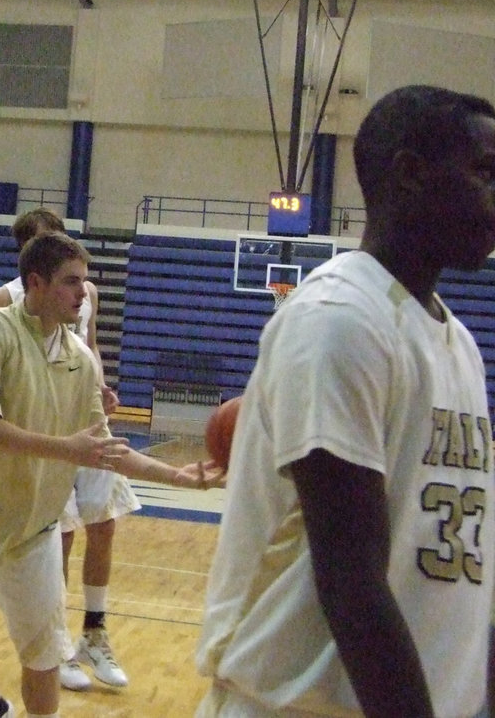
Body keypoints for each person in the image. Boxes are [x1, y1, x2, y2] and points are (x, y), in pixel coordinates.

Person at [197, 85, 495, 718]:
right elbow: (352, 581)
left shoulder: (456, 342)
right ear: (410, 174)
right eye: (484, 172)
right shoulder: (338, 321)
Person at [0, 232, 219, 718]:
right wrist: (66, 449)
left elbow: (105, 448)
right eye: (71, 282)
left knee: (44, 654)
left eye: (85, 283)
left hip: (32, 532)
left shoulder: (81, 359)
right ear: (36, 282)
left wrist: (178, 476)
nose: (83, 293)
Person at [0, 207, 132, 692]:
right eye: (52, 242)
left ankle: (95, 630)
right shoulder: (3, 301)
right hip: (45, 431)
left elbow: (89, 348)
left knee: (104, 523)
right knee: (61, 536)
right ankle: (58, 641)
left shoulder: (85, 291)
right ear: (32, 256)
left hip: (85, 414)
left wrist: (102, 388)